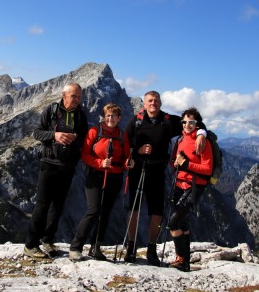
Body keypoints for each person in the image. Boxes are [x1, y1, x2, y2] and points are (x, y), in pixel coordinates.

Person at [123, 91, 206, 266]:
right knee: (134, 209)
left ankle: (151, 249)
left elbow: (193, 123)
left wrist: (201, 134)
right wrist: (137, 151)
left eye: (156, 101)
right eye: (149, 101)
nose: (153, 103)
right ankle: (131, 247)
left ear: (160, 103)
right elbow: (125, 143)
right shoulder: (136, 121)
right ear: (144, 104)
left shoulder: (168, 120)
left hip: (157, 171)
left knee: (157, 212)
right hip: (138, 169)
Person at [23, 83, 89, 259]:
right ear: (64, 95)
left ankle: (48, 240)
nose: (77, 100)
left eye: (79, 97)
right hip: (49, 163)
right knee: (42, 204)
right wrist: (55, 135)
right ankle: (31, 244)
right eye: (74, 96)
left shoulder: (81, 115)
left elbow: (85, 138)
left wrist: (76, 137)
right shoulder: (51, 110)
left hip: (68, 165)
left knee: (58, 206)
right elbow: (37, 133)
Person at [68, 103, 134, 262]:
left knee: (105, 213)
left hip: (115, 177)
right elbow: (85, 155)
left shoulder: (121, 134)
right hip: (95, 176)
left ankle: (95, 247)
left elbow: (126, 157)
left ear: (119, 118)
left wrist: (128, 164)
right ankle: (76, 247)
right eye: (108, 115)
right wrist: (100, 163)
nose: (110, 118)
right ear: (104, 117)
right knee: (94, 210)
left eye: (114, 116)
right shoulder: (94, 131)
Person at [168, 107, 213, 272]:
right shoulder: (180, 140)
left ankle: (181, 259)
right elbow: (174, 160)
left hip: (194, 187)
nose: (187, 125)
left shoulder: (203, 141)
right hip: (179, 184)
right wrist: (175, 163)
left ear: (197, 124)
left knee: (173, 222)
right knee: (183, 222)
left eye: (192, 122)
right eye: (185, 122)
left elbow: (207, 169)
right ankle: (185, 262)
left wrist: (186, 164)